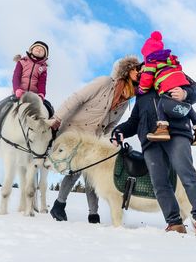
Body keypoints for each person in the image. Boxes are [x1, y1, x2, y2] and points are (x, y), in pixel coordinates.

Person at [111, 74, 196, 238]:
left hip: (177, 133)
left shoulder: (171, 73)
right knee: (159, 183)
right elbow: (134, 121)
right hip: (150, 141)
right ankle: (174, 223)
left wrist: (185, 93)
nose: (144, 71)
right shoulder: (142, 93)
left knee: (186, 173)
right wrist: (119, 131)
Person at [49, 56, 141, 224]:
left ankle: (92, 214)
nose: (140, 72)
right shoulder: (105, 83)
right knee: (77, 171)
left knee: (92, 172)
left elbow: (112, 125)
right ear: (126, 72)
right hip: (73, 132)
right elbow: (77, 98)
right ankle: (59, 205)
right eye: (136, 69)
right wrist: (57, 118)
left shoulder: (125, 101)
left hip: (93, 139)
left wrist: (108, 141)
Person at [138, 31, 196, 146]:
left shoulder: (151, 62)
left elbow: (147, 78)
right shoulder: (169, 59)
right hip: (180, 81)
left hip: (169, 87)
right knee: (187, 107)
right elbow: (178, 68)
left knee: (161, 105)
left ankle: (162, 129)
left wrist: (142, 89)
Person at [0, 41, 51, 142]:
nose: (39, 49)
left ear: (45, 55)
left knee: (49, 108)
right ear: (31, 50)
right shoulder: (22, 62)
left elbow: (42, 83)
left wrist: (41, 95)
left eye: (42, 50)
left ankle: (51, 136)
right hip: (20, 93)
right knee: (1, 105)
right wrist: (17, 90)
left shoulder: (43, 68)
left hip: (34, 96)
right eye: (37, 48)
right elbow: (16, 77)